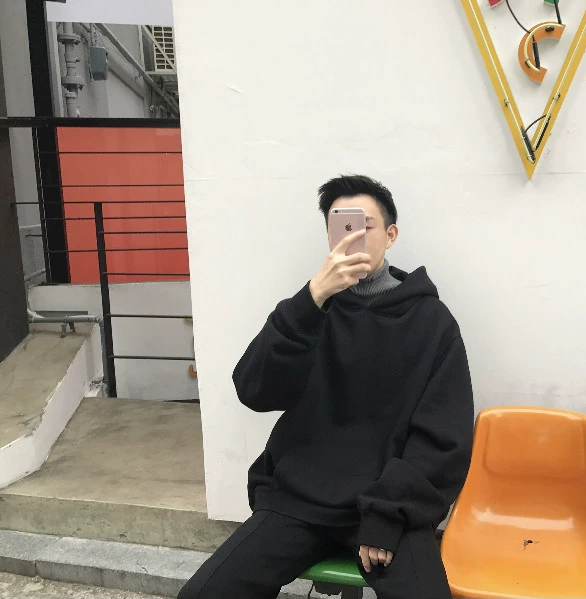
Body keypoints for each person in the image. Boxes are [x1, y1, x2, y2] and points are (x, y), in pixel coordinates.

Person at [178, 175, 474, 599]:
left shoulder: (431, 323)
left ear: (390, 235)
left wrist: (387, 515)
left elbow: (443, 438)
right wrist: (311, 298)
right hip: (299, 500)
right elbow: (253, 389)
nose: (353, 238)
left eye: (365, 226)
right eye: (342, 227)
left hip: (388, 505)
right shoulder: (310, 311)